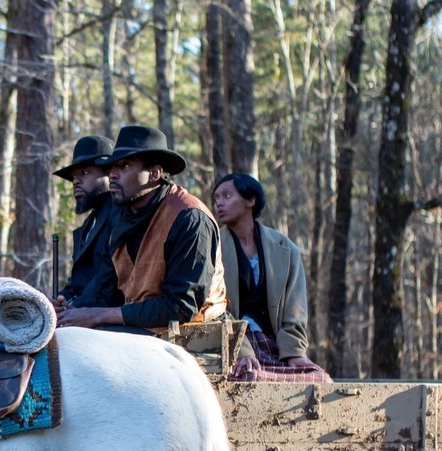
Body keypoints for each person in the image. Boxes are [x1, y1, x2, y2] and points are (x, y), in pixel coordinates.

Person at [57, 125, 226, 334]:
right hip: (139, 325)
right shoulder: (121, 215)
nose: (113, 175)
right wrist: (70, 310)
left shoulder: (190, 218)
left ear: (154, 173)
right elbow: (106, 285)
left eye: (124, 166)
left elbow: (181, 307)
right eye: (112, 168)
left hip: (191, 331)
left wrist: (99, 315)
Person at [212, 172, 330, 382]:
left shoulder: (286, 249)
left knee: (319, 380)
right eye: (216, 198)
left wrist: (294, 353)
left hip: (275, 345)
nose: (219, 203)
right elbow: (215, 310)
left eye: (227, 196)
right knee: (248, 378)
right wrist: (242, 352)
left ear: (250, 199)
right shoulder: (213, 248)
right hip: (235, 344)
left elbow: (295, 310)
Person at [52, 135, 115, 309]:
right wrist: (62, 299)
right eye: (73, 177)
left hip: (109, 320)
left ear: (110, 174)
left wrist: (76, 307)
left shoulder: (121, 216)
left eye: (85, 173)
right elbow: (80, 281)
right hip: (83, 315)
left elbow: (110, 279)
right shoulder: (88, 225)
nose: (76, 181)